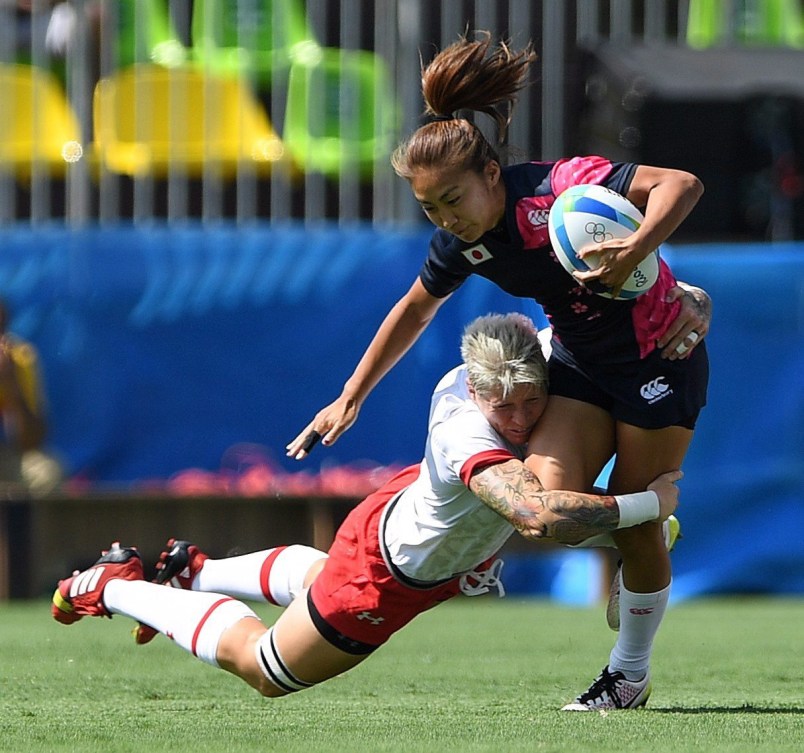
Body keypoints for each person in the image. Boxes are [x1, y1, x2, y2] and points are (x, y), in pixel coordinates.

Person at [285, 33, 711, 711]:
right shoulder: (463, 242)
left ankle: (628, 673)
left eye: (453, 199)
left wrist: (637, 250)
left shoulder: (561, 189)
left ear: (489, 175)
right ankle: (652, 518)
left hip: (659, 361)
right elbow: (413, 310)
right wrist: (350, 395)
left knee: (629, 531)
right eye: (430, 208)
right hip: (577, 362)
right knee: (543, 512)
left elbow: (681, 186)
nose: (447, 219)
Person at [52, 313, 681, 706]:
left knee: (314, 579)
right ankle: (113, 588)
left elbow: (619, 315)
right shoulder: (467, 430)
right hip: (386, 574)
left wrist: (690, 309)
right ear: (474, 387)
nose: (520, 420)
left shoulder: (529, 354)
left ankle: (198, 572)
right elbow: (538, 517)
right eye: (504, 407)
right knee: (268, 668)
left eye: (532, 401)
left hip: (406, 514)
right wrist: (649, 506)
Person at [0, 300, 62, 497]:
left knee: (46, 473)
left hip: (6, 458)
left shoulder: (19, 358)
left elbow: (31, 442)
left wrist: (11, 384)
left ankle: (24, 528)